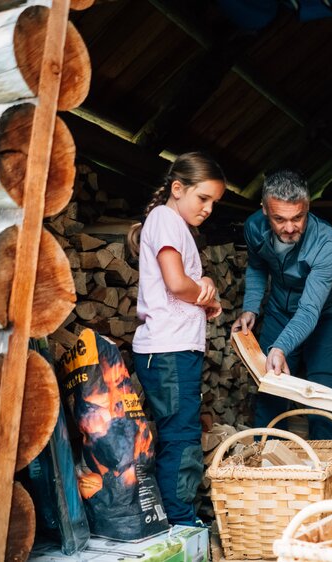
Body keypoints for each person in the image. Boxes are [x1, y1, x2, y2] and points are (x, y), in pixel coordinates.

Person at [128, 152, 225, 526]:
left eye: (214, 202)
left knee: (177, 431)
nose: (208, 209)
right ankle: (181, 520)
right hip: (169, 350)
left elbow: (188, 282)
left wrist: (205, 286)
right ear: (178, 188)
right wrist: (208, 296)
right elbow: (175, 283)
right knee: (181, 435)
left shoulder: (172, 224)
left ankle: (171, 515)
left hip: (173, 350)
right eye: (203, 198)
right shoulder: (166, 219)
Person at [232, 169, 332, 440]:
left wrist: (280, 346)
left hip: (324, 318)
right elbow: (258, 266)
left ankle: (325, 474)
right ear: (264, 210)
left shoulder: (327, 241)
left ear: (307, 207)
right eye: (279, 219)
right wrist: (251, 307)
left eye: (298, 217)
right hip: (279, 312)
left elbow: (309, 309)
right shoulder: (253, 227)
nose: (290, 227)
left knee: (323, 397)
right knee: (270, 390)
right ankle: (269, 469)